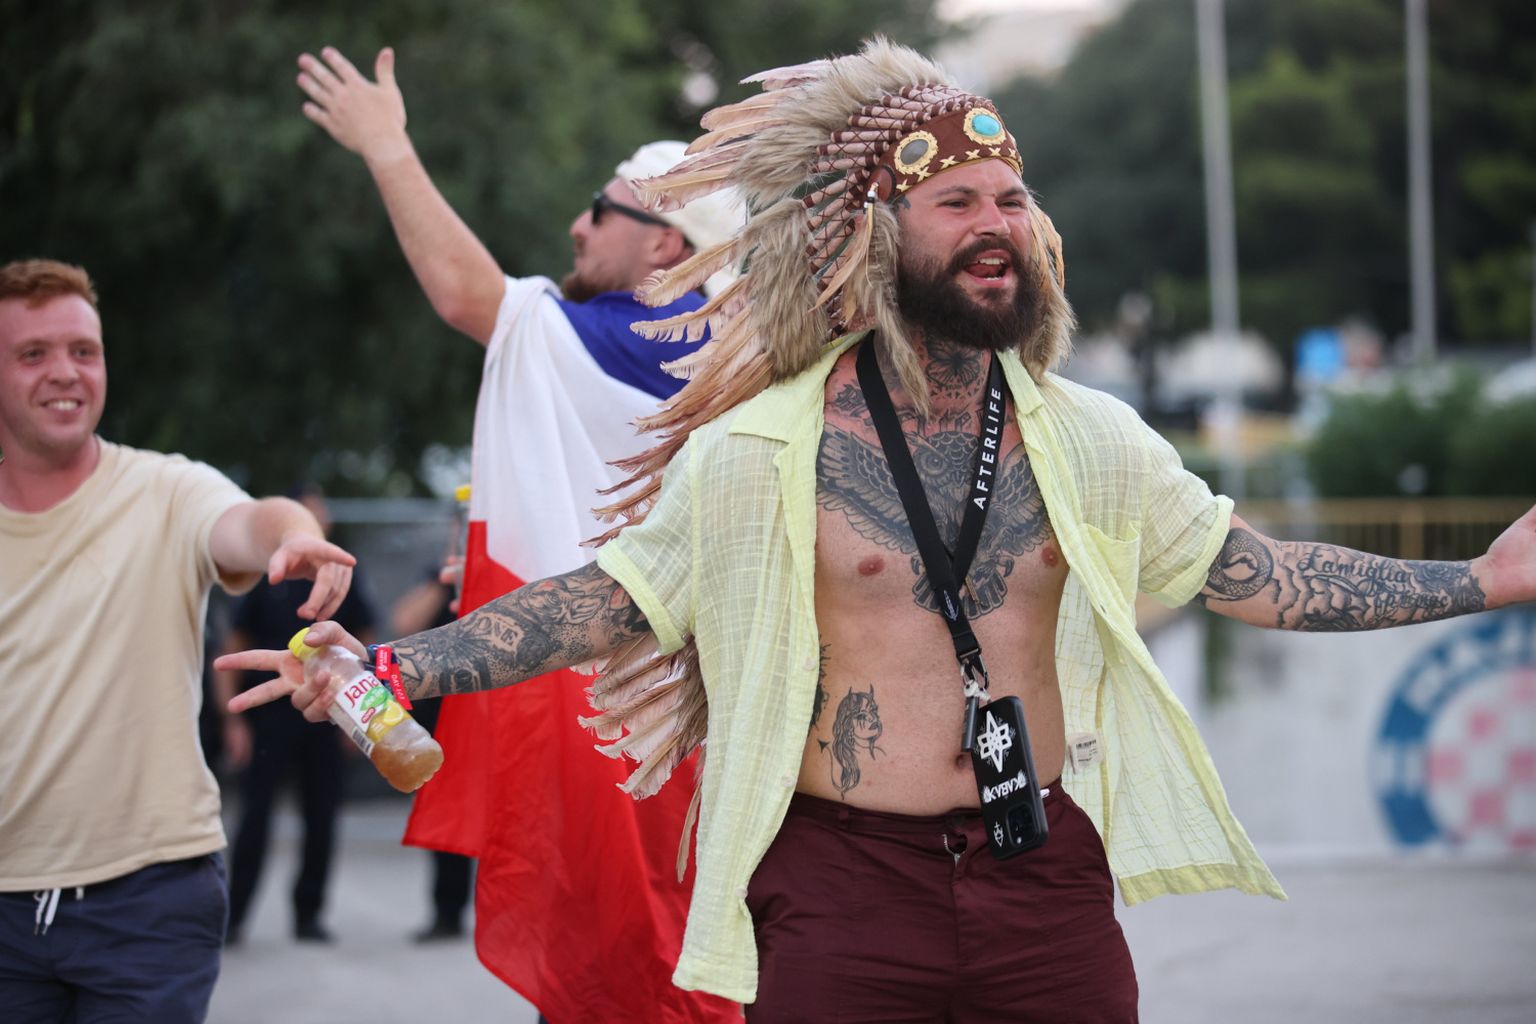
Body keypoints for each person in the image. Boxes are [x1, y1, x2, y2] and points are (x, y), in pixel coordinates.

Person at [224, 40, 1536, 1020]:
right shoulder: (761, 448)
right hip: (842, 887)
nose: (997, 225)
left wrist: (1483, 575)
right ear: (873, 235)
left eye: (1011, 200)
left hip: (1040, 876)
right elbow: (607, 600)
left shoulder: (1093, 438)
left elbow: (1258, 572)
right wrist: (400, 664)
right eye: (957, 202)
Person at [294, 44, 744, 1022]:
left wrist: (387, 146)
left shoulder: (658, 334)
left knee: (635, 969)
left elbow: (470, 295)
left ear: (666, 245)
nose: (578, 225)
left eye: (601, 208)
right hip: (687, 709)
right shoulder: (729, 348)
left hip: (630, 715)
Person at [0, 258, 357, 1022]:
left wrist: (295, 534)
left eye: (84, 351)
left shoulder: (166, 488)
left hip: (149, 898)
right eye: (33, 353)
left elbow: (249, 522)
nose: (65, 371)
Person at [215, 484, 379, 947]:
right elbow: (233, 646)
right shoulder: (270, 575)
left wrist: (362, 718)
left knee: (322, 815)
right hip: (269, 716)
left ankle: (309, 915)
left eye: (320, 511)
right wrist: (232, 720)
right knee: (255, 817)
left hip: (330, 714)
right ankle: (234, 917)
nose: (318, 517)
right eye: (307, 512)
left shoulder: (347, 576)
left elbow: (366, 643)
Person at [384, 563, 471, 942]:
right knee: (444, 816)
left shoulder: (493, 570)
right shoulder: (438, 580)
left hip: (483, 718)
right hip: (438, 723)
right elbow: (404, 622)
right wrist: (441, 581)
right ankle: (447, 911)